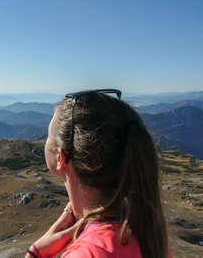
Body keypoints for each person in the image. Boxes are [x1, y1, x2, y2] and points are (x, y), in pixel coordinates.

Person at [25, 89, 172, 258]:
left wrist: (34, 254)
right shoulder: (149, 238)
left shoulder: (88, 253)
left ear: (60, 157)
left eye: (48, 135)